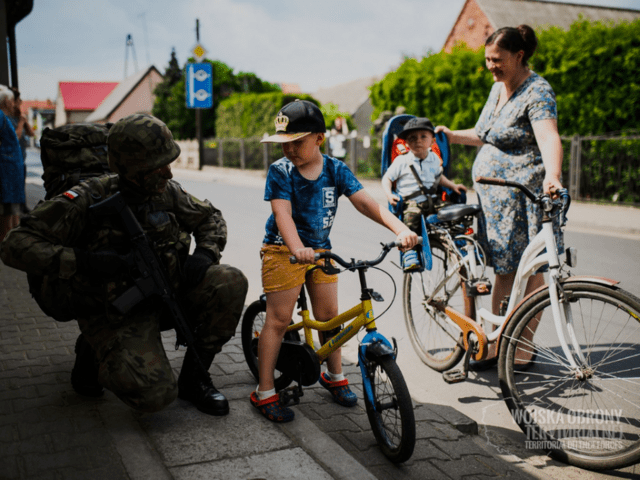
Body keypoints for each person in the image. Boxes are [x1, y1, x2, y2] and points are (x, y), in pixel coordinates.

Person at [0, 113, 248, 416]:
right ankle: (92, 350)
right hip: (114, 308)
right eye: (158, 167)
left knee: (230, 281)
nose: (169, 174)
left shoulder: (165, 191)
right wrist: (85, 261)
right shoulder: (86, 198)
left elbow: (210, 217)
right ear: (132, 169)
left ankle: (196, 380)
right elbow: (15, 244)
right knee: (155, 395)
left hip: (164, 291)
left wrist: (205, 254)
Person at [252, 100, 418, 422]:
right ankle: (265, 391)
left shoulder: (335, 169)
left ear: (319, 138)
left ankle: (335, 375)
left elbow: (367, 204)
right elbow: (282, 213)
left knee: (329, 316)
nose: (288, 150)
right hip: (282, 250)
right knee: (279, 318)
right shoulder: (280, 171)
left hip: (321, 251)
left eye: (296, 142)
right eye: (283, 143)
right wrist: (298, 248)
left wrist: (401, 228)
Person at [435, 25, 564, 364]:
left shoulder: (537, 92)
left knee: (531, 274)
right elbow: (483, 134)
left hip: (524, 199)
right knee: (503, 272)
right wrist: (449, 134)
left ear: (519, 56)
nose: (491, 66)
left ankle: (521, 347)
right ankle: (496, 342)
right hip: (496, 202)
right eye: (488, 59)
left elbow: (549, 137)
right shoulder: (498, 88)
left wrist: (553, 174)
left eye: (498, 59)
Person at [381, 117, 466, 271]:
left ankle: (459, 240)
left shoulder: (434, 159)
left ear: (432, 141)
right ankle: (410, 252)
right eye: (412, 138)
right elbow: (387, 178)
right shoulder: (402, 161)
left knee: (453, 211)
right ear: (406, 143)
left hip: (432, 199)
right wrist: (389, 194)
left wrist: (453, 186)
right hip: (411, 202)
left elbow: (439, 177)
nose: (418, 141)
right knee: (411, 217)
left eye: (423, 137)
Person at [0, 85, 25, 241]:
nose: (13, 103)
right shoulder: (1, 116)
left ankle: (11, 238)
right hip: (6, 169)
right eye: (11, 100)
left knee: (11, 208)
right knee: (6, 209)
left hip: (11, 168)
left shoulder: (5, 116)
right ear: (6, 101)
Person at [9, 87, 35, 213]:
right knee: (13, 189)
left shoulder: (19, 117)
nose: (20, 102)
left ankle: (22, 207)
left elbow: (31, 134)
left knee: (20, 186)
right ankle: (16, 210)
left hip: (21, 158)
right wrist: (20, 123)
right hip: (11, 159)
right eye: (18, 100)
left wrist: (25, 122)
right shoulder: (6, 119)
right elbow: (15, 137)